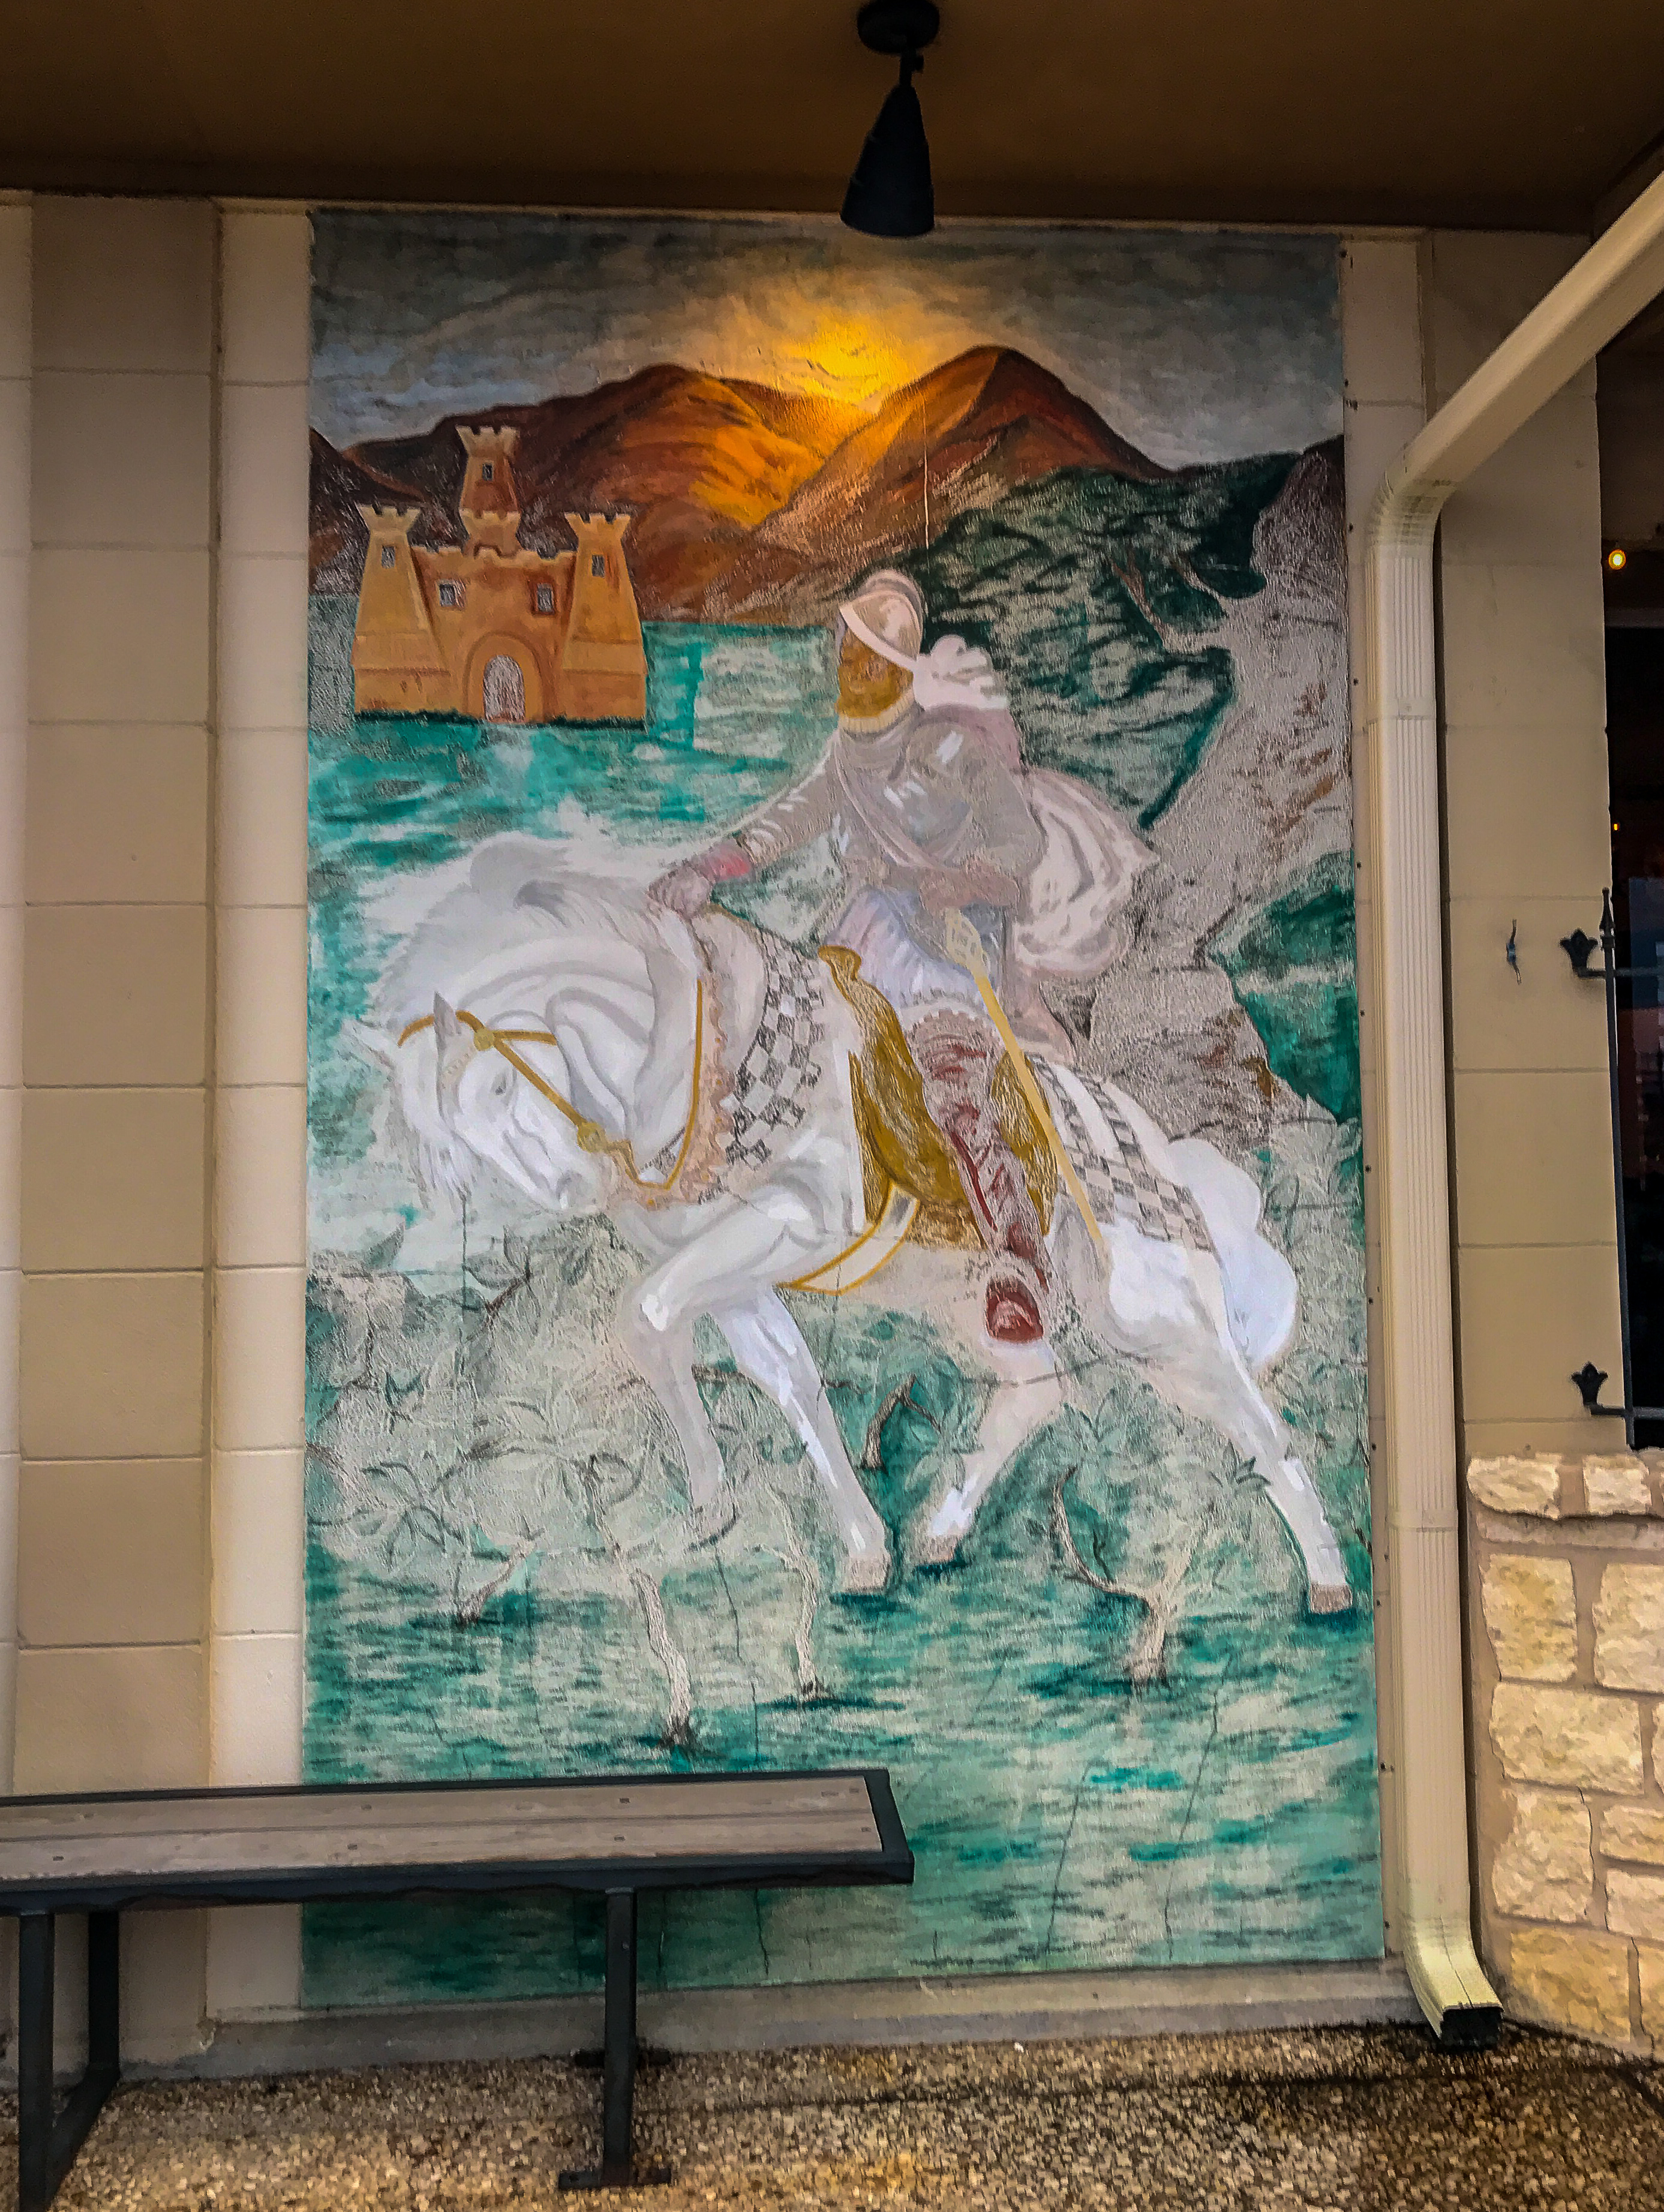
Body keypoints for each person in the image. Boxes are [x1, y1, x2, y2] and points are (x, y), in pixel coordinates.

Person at [652, 569, 1149, 1346]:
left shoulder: (949, 750)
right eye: (844, 656)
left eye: (864, 659)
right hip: (860, 937)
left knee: (953, 1085)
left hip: (944, 944)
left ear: (895, 668)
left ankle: (1017, 1253)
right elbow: (786, 822)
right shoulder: (842, 757)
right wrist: (705, 870)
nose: (848, 671)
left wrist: (964, 879)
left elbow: (1019, 841)